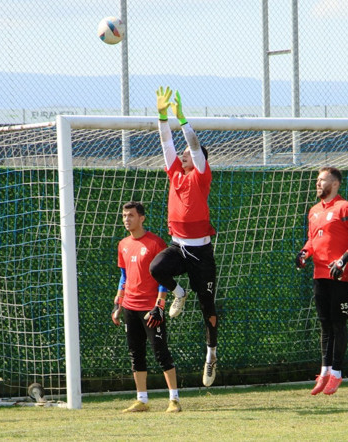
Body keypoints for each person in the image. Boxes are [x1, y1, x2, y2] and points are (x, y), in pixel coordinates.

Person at [149, 86, 219, 387]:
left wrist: (182, 118)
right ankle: (179, 294)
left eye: (189, 155)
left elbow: (192, 144)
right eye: (183, 155)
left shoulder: (201, 174)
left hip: (201, 254)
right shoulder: (175, 173)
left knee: (209, 311)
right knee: (156, 268)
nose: (184, 155)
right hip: (179, 247)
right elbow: (167, 143)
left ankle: (211, 355)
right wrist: (163, 117)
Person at [295, 167, 348, 395]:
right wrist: (303, 254)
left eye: (322, 180)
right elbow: (312, 240)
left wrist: (343, 260)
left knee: (338, 324)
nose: (318, 183)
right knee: (325, 325)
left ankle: (337, 373)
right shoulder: (314, 210)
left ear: (336, 184)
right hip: (320, 275)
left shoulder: (345, 207)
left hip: (342, 275)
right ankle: (325, 371)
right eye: (317, 180)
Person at [112, 201, 181, 413]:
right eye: (124, 215)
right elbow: (123, 276)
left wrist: (160, 305)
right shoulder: (123, 244)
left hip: (151, 309)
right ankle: (142, 400)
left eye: (130, 215)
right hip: (130, 308)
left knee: (161, 352)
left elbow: (163, 277)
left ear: (141, 218)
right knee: (136, 353)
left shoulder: (155, 243)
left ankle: (174, 400)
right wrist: (118, 305)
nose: (126, 219)